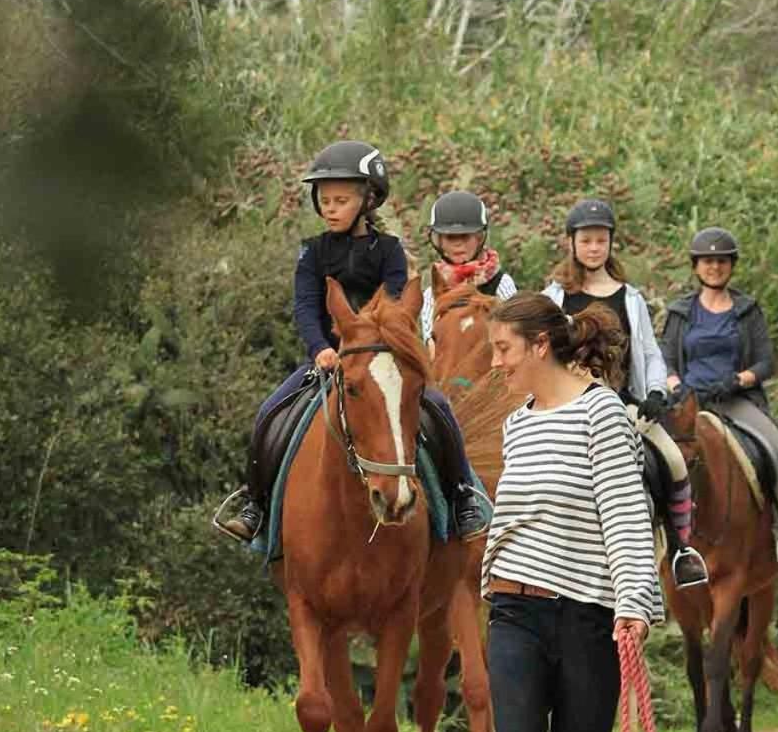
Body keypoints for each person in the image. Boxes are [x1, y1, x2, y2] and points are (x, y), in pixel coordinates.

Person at [481, 291, 663, 732]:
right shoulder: (518, 425)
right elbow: (510, 519)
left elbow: (621, 514)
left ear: (537, 345)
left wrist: (633, 603)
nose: (497, 364)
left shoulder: (603, 415)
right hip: (515, 612)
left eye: (503, 350)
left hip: (587, 614)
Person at [221, 141, 488, 542]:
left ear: (368, 201)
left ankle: (461, 497)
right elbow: (306, 307)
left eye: (341, 200)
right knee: (269, 413)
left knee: (439, 410)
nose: (330, 208)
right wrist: (320, 348)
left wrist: (376, 343)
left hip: (384, 361)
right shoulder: (311, 253)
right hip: (328, 361)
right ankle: (256, 503)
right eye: (324, 200)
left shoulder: (390, 251)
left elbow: (397, 308)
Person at [543, 198, 707, 589]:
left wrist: (653, 391)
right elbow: (543, 351)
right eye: (587, 240)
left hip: (622, 405)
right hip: (568, 406)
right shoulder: (554, 296)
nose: (594, 248)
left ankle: (683, 550)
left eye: (601, 240)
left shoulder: (629, 297)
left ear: (611, 244)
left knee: (673, 460)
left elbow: (649, 352)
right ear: (572, 243)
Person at [659, 227, 778, 567]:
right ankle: (653, 542)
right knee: (652, 459)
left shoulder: (747, 310)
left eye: (722, 261)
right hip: (689, 404)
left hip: (735, 400)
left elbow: (765, 362)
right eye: (708, 261)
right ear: (696, 266)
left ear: (731, 266)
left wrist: (737, 380)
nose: (715, 267)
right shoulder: (680, 312)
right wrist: (676, 387)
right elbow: (664, 358)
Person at [419, 189, 518, 358]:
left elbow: (515, 333)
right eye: (450, 237)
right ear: (439, 241)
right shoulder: (431, 295)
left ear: (479, 238)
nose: (458, 244)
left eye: (465, 236)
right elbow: (432, 347)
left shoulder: (501, 283)